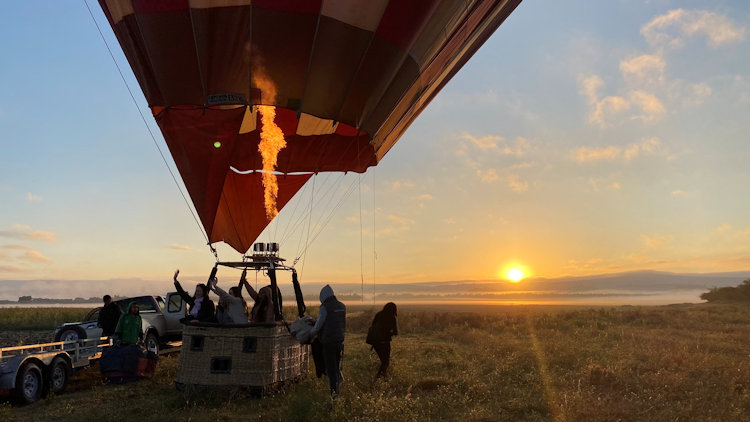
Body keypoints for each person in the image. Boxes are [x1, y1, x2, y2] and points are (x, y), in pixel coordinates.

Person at [311, 284, 346, 397]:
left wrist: (310, 333)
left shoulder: (325, 307)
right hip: (339, 340)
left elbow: (318, 325)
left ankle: (334, 393)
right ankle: (337, 388)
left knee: (330, 368)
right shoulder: (342, 306)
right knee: (336, 365)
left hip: (328, 341)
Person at [366, 302, 399, 377]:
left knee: (383, 361)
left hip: (375, 342)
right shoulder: (392, 317)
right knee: (385, 362)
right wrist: (389, 333)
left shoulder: (379, 314)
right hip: (385, 342)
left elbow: (373, 326)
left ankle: (382, 377)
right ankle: (378, 378)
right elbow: (396, 332)